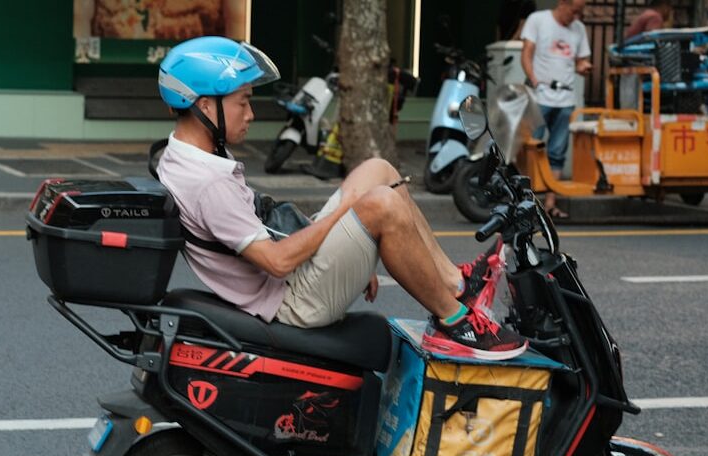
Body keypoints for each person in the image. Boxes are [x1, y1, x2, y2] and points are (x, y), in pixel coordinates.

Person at [155, 36, 527, 360]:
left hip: (289, 278)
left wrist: (349, 249)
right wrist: (348, 217)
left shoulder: (187, 154)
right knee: (381, 205)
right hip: (292, 302)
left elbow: (262, 227)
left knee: (379, 170)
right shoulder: (208, 183)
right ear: (206, 105)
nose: (251, 114)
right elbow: (277, 262)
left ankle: (456, 284)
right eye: (243, 102)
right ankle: (458, 324)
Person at [520, 0, 592, 220]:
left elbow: (581, 61)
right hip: (541, 95)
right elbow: (527, 53)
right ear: (562, 3)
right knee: (531, 148)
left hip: (566, 98)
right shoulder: (538, 20)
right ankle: (526, 203)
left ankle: (550, 205)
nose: (576, 17)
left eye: (580, 13)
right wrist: (534, 79)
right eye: (574, 11)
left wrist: (583, 67)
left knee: (557, 152)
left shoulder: (579, 29)